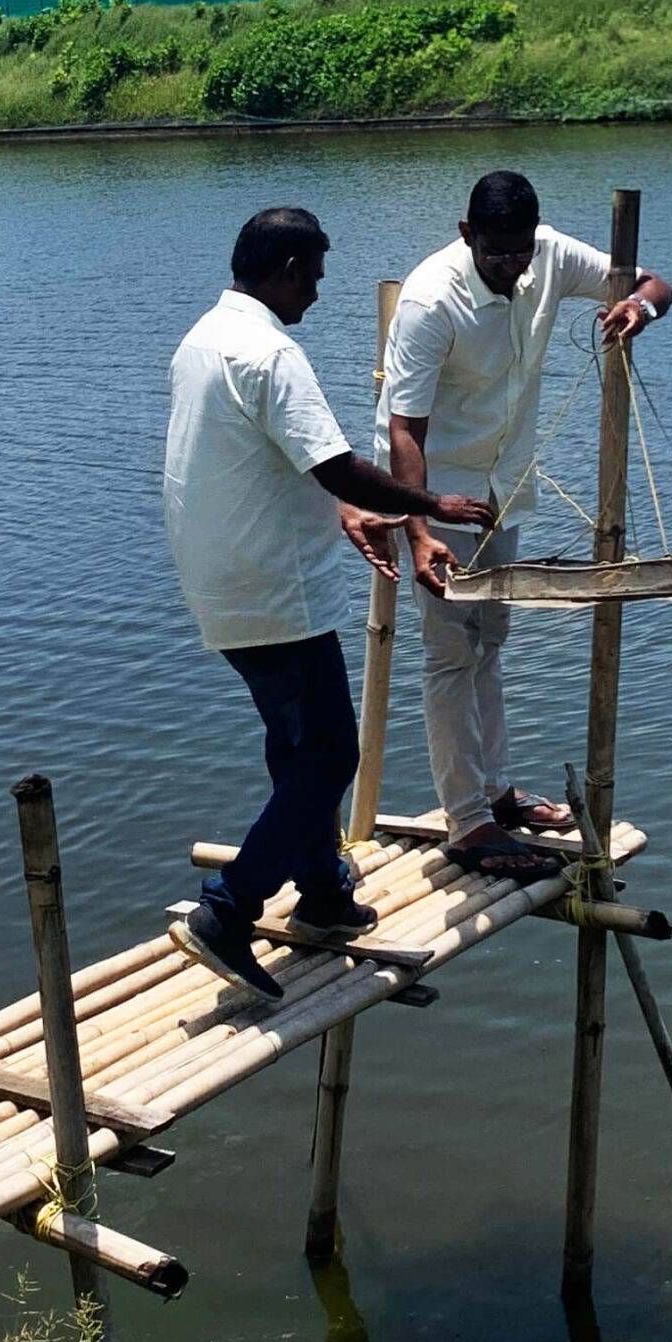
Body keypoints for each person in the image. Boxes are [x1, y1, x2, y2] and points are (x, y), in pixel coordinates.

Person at [163, 205, 496, 1001]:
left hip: (221, 580)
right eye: (312, 274)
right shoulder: (271, 353)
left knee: (296, 747)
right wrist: (430, 505)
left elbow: (268, 462)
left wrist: (344, 505)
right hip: (278, 590)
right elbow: (340, 466)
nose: (315, 291)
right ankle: (230, 908)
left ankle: (320, 892)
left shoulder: (204, 338)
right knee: (327, 756)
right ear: (283, 270)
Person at [377, 169, 672, 876]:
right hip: (434, 489)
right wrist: (418, 532)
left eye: (520, 255)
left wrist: (640, 308)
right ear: (465, 234)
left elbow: (653, 282)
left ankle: (496, 790)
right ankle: (469, 820)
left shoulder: (547, 254)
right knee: (450, 651)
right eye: (496, 255)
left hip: (501, 486)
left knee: (490, 642)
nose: (511, 268)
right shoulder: (429, 300)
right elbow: (403, 433)